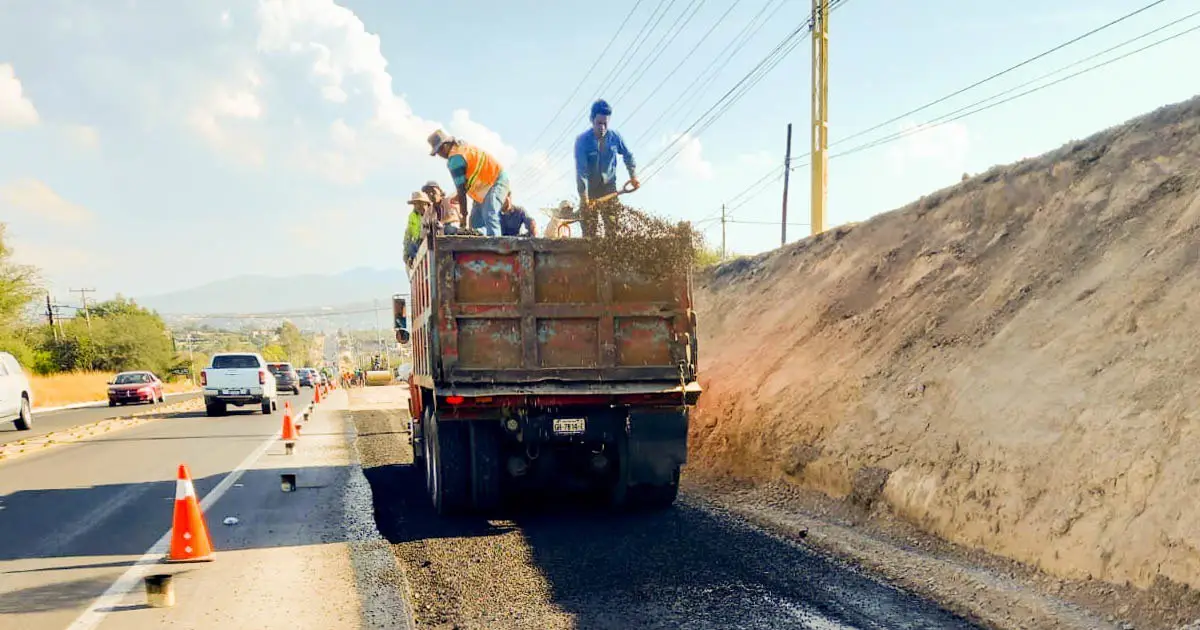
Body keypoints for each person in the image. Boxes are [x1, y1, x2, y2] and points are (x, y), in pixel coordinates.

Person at [573, 99, 638, 237]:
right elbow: (581, 172)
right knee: (589, 232)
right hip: (589, 190)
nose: (602, 127)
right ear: (591, 120)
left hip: (609, 188)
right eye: (599, 123)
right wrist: (584, 200)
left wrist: (633, 176)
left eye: (605, 124)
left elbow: (628, 155)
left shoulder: (615, 137)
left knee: (613, 227)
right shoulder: (582, 142)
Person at [428, 129, 508, 237]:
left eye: (439, 151)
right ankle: (481, 248)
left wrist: (463, 218)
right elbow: (464, 183)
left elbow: (461, 191)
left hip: (496, 180)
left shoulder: (455, 159)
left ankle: (497, 247)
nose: (440, 155)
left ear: (446, 145)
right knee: (475, 221)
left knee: (489, 213)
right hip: (483, 188)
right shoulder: (460, 147)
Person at [403, 190, 432, 267]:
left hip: (430, 240)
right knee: (410, 247)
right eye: (415, 204)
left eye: (420, 203)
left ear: (425, 203)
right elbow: (407, 236)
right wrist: (405, 254)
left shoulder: (432, 211)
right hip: (418, 244)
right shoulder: (412, 216)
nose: (418, 206)